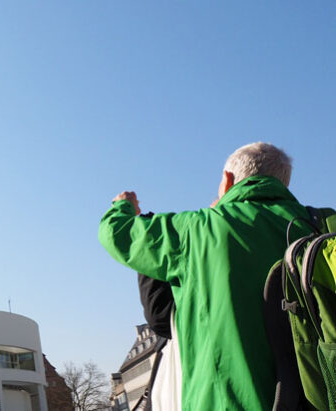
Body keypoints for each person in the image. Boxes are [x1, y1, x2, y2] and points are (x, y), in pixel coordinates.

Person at [98, 142, 308, 410]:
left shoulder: (199, 229)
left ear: (227, 180)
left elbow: (116, 233)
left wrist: (122, 206)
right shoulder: (321, 224)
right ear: (283, 183)